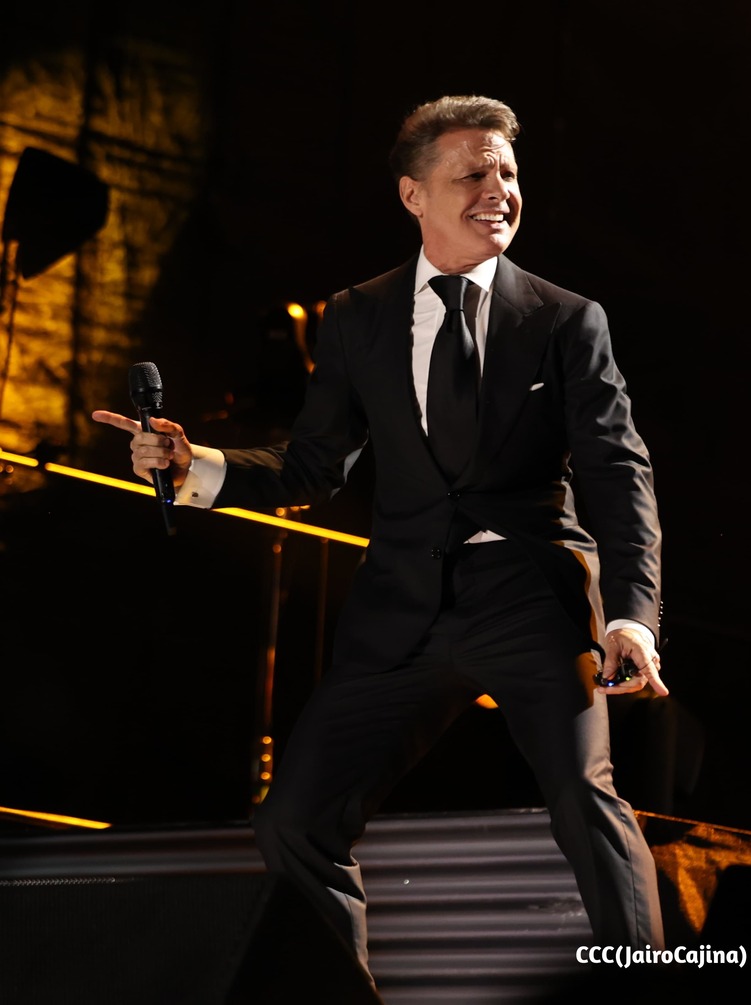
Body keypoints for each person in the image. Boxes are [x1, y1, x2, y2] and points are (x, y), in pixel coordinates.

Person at [93, 94, 668, 988]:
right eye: (472, 174)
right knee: (293, 820)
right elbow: (312, 465)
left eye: (508, 172)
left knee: (580, 798)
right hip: (402, 609)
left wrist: (631, 616)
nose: (498, 190)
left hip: (529, 599)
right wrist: (191, 462)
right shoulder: (357, 315)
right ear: (413, 194)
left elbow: (616, 469)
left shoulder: (564, 318)